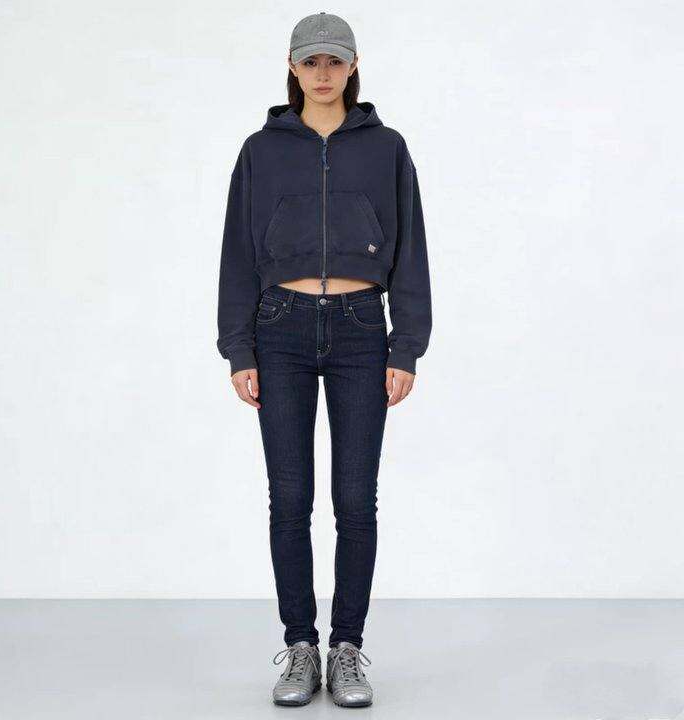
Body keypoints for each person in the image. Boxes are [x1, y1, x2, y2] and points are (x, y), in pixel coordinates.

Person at [216, 11, 432, 708]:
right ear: (292, 67)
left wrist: (407, 345)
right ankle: (300, 647)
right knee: (289, 498)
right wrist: (238, 346)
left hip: (362, 329)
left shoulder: (387, 147)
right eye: (310, 62)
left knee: (355, 499)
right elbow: (237, 253)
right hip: (278, 328)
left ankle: (347, 648)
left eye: (335, 61)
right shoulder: (261, 150)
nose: (323, 73)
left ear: (353, 65)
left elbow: (412, 249)